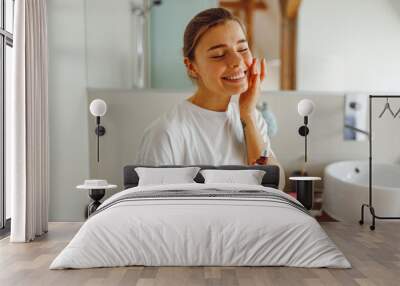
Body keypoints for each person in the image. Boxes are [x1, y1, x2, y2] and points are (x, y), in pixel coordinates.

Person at [136, 7, 285, 189]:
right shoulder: (166, 133)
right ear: (191, 66)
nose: (237, 61)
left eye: (242, 48)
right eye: (218, 55)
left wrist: (247, 114)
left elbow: (274, 186)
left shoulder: (251, 118)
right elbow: (151, 206)